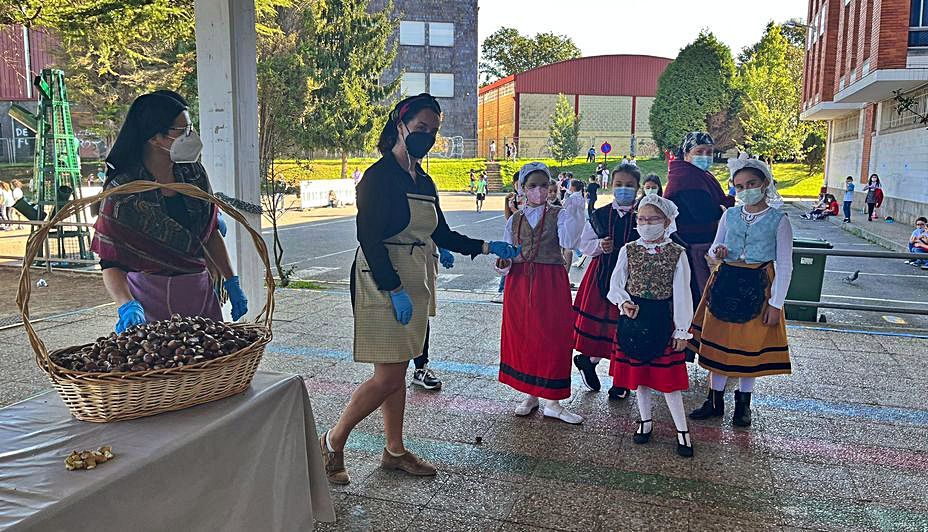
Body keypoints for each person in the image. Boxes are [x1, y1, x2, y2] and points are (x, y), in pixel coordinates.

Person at [319, 94, 518, 484]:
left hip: (416, 276)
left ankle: (394, 450)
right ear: (401, 124)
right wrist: (392, 288)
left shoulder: (424, 179)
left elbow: (440, 232)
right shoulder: (378, 177)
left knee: (400, 367)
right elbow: (369, 239)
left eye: (433, 130)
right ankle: (332, 439)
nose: (427, 136)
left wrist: (484, 246)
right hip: (381, 277)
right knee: (388, 377)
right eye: (421, 128)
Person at [90, 90, 248, 333]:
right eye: (182, 131)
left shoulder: (193, 174)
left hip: (199, 291)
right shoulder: (125, 190)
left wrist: (231, 279)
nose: (191, 136)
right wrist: (126, 304)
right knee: (162, 365)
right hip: (147, 297)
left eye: (191, 128)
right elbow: (110, 261)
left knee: (208, 363)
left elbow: (210, 232)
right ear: (155, 137)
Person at [688, 154, 793, 428]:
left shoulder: (779, 220)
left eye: (751, 183)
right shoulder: (730, 215)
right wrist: (718, 251)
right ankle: (714, 400)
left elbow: (785, 264)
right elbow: (714, 247)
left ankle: (743, 404)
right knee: (718, 343)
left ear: (765, 183)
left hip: (759, 284)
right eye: (740, 186)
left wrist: (776, 303)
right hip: (726, 281)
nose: (746, 190)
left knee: (750, 344)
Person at [495, 162, 586, 423]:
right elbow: (507, 253)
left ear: (551, 187)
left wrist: (577, 213)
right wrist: (502, 264)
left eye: (543, 185)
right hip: (520, 284)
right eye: (533, 185)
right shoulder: (514, 219)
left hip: (550, 283)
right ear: (522, 188)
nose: (539, 190)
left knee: (553, 337)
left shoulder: (560, 214)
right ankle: (530, 394)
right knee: (524, 337)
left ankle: (554, 401)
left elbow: (569, 242)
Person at [607, 194, 694, 457]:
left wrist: (682, 329)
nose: (646, 224)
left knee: (669, 382)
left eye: (653, 219)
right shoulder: (628, 249)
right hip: (633, 319)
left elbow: (682, 294)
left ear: (667, 221)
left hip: (660, 320)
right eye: (641, 219)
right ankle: (645, 421)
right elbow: (615, 285)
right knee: (640, 378)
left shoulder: (677, 253)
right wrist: (623, 303)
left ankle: (682, 430)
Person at [572, 164, 641, 400]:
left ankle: (618, 379)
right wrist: (600, 246)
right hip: (602, 274)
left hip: (633, 279)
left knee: (624, 328)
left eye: (629, 185)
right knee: (603, 326)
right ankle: (591, 360)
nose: (624, 189)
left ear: (638, 188)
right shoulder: (600, 214)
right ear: (611, 186)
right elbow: (584, 244)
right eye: (619, 185)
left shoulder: (644, 214)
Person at [664, 131, 734, 307]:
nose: (705, 156)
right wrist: (726, 204)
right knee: (699, 298)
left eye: (709, 152)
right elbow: (705, 214)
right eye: (699, 151)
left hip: (701, 245)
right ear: (686, 153)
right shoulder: (686, 176)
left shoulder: (697, 173)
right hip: (692, 246)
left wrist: (722, 206)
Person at [411, 244, 454, 390]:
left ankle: (420, 368)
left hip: (425, 256)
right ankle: (389, 368)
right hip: (399, 260)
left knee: (422, 315)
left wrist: (443, 247)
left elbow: (437, 226)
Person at [495, 171, 523, 304]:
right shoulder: (511, 197)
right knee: (507, 260)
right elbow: (508, 219)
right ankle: (501, 291)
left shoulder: (529, 199)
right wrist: (510, 207)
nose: (521, 187)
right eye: (519, 184)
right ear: (514, 184)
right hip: (513, 234)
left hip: (526, 235)